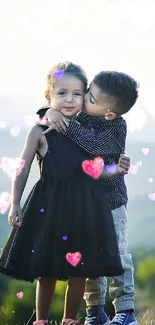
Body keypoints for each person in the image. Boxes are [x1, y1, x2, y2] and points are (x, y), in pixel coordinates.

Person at [0, 63, 126, 325]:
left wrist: (114, 170)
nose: (69, 99)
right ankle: (42, 321)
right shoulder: (40, 131)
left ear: (85, 97)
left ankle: (70, 319)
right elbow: (21, 168)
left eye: (77, 94)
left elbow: (93, 170)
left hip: (85, 209)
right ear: (49, 97)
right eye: (62, 93)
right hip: (51, 208)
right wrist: (15, 203)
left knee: (80, 269)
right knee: (47, 269)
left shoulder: (87, 132)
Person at [40, 70, 138, 325]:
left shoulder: (115, 127)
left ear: (109, 113)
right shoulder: (86, 113)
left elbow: (92, 144)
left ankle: (125, 312)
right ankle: (95, 311)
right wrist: (48, 111)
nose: (82, 100)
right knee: (89, 257)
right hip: (85, 202)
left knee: (116, 254)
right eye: (87, 93)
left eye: (90, 98)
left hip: (111, 202)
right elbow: (63, 105)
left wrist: (66, 123)